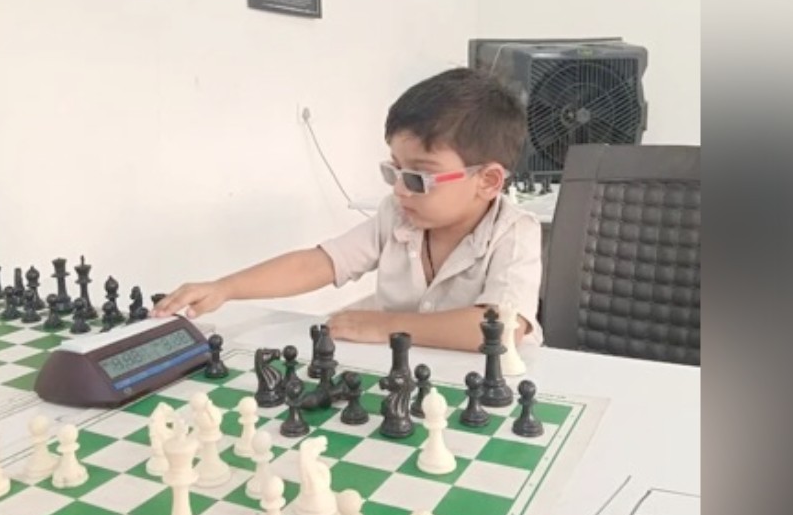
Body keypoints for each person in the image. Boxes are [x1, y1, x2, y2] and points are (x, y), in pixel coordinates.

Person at [153, 68, 543, 352]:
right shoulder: (397, 215)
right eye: (393, 170)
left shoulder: (514, 232)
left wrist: (389, 326)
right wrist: (225, 288)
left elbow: (500, 328)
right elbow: (318, 264)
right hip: (407, 371)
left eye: (418, 177)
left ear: (488, 181)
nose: (398, 189)